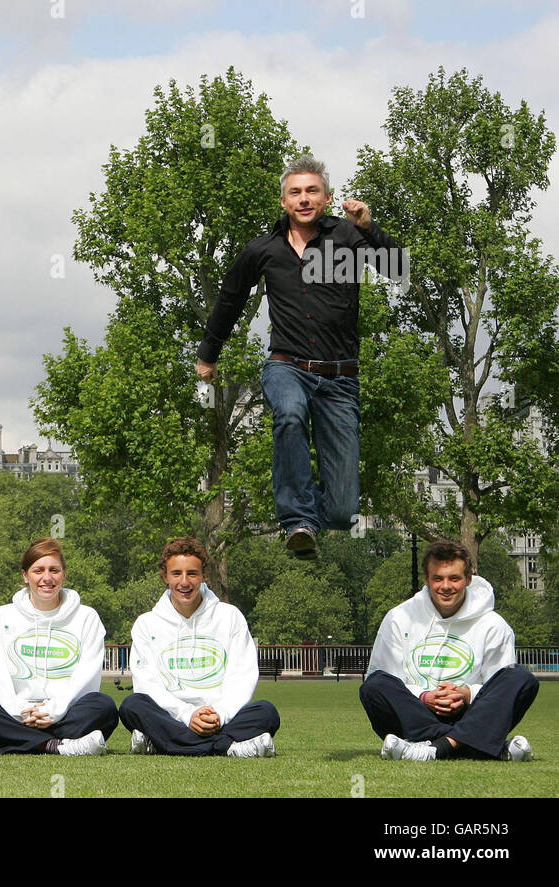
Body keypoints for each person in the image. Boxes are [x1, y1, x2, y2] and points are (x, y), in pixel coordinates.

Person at [196, 154, 404, 559]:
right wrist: (208, 355)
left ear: (326, 198)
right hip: (286, 366)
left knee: (344, 512)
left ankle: (316, 523)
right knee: (289, 414)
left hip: (341, 378)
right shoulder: (264, 250)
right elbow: (230, 300)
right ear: (283, 201)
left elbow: (398, 270)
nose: (304, 199)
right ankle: (297, 521)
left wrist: (369, 227)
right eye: (296, 192)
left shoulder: (347, 237)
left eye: (312, 191)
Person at [360, 539, 538, 762]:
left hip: (471, 713)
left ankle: (435, 749)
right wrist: (425, 697)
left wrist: (464, 694)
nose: (446, 586)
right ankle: (479, 746)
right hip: (416, 714)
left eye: (454, 578)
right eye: (437, 578)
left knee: (521, 678)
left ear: (468, 579)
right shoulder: (398, 617)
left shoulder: (494, 624)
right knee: (373, 686)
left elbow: (498, 686)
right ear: (426, 580)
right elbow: (387, 679)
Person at [118, 537, 278, 757]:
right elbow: (147, 684)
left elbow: (242, 675)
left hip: (219, 718)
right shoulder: (147, 623)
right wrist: (187, 715)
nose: (185, 582)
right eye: (176, 574)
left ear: (204, 575)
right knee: (132, 705)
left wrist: (220, 714)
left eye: (192, 573)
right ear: (165, 576)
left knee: (266, 712)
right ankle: (226, 747)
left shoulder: (230, 616)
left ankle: (162, 742)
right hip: (172, 717)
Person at [0, 538, 117, 755]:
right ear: (25, 575)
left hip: (65, 712)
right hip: (15, 712)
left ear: (64, 574)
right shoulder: (1, 616)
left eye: (54, 570)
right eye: (38, 570)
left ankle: (8, 741)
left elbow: (87, 676)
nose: (47, 578)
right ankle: (57, 746)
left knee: (103, 707)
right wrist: (19, 710)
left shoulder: (87, 617)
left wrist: (52, 711)